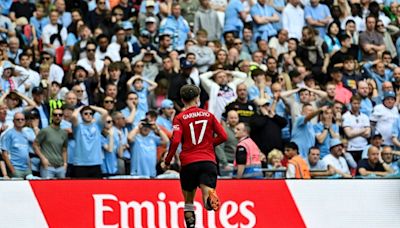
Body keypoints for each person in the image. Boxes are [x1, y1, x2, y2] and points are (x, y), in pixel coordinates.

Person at [163, 85, 227, 228]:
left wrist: (168, 160)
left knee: (188, 201)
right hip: (207, 160)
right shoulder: (208, 115)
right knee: (207, 193)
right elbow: (223, 136)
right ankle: (209, 200)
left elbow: (176, 141)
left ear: (182, 100)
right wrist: (209, 144)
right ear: (198, 98)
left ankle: (191, 224)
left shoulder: (179, 118)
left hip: (189, 162)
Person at [71, 105, 108, 178]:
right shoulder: (78, 127)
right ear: (81, 116)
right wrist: (81, 107)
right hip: (80, 164)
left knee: (96, 188)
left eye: (90, 114)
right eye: (85, 113)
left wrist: (91, 107)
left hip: (95, 162)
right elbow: (74, 116)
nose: (88, 115)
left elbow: (105, 112)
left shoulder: (98, 125)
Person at [33, 108, 68, 178]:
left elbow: (64, 149)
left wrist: (65, 163)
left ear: (62, 117)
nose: (58, 116)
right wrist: (42, 158)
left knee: (62, 189)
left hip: (60, 167)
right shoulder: (45, 131)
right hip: (48, 167)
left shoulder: (64, 133)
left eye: (60, 115)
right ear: (52, 117)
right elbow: (35, 145)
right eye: (55, 115)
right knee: (46, 189)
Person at [1, 113, 32, 178]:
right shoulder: (9, 134)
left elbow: (27, 153)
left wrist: (30, 168)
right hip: (16, 169)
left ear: (25, 121)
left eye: (22, 119)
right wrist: (12, 170)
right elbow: (4, 154)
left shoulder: (25, 134)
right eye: (18, 119)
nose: (20, 121)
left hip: (27, 169)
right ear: (13, 121)